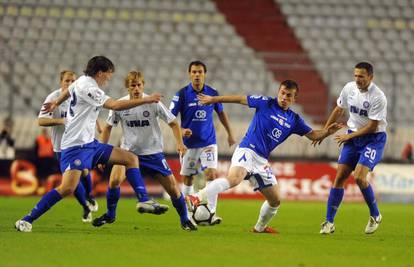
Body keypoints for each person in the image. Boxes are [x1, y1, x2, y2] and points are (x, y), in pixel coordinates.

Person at [15, 56, 162, 232]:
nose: (109, 78)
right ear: (100, 73)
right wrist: (147, 99)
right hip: (75, 147)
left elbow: (69, 90)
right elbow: (114, 105)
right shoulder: (89, 86)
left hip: (90, 144)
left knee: (130, 158)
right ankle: (26, 219)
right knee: (67, 188)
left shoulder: (80, 82)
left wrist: (56, 102)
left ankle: (144, 200)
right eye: (108, 75)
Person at [186, 80, 341, 233]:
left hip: (262, 161)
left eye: (289, 95)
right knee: (234, 179)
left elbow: (313, 135)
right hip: (247, 150)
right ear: (278, 92)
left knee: (275, 200)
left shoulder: (294, 120)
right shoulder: (265, 103)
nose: (284, 97)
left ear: (294, 99)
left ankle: (259, 228)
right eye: (282, 93)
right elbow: (239, 99)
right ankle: (197, 197)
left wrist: (327, 132)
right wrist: (213, 99)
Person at [93, 70, 197, 231]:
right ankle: (110, 214)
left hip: (153, 153)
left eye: (139, 85)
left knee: (173, 189)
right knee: (114, 181)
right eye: (132, 85)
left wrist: (180, 143)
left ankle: (185, 220)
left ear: (143, 86)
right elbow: (107, 128)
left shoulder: (153, 103)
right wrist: (100, 153)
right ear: (127, 88)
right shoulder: (120, 105)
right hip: (128, 153)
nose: (136, 88)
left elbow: (173, 123)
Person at [316, 62, 387, 235]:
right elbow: (338, 109)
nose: (357, 79)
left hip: (373, 139)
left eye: (361, 76)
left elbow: (371, 126)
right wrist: (325, 131)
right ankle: (329, 222)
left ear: (370, 77)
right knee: (339, 177)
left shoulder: (378, 97)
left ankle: (375, 215)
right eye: (355, 75)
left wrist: (348, 136)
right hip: (353, 138)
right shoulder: (349, 88)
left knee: (359, 177)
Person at [169, 60, 235, 225]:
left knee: (211, 175)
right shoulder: (182, 94)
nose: (197, 75)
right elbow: (170, 117)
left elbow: (221, 113)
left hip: (208, 142)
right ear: (189, 74)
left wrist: (230, 133)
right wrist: (182, 131)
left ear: (204, 74)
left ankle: (211, 212)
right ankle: (188, 215)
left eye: (200, 72)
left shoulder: (212, 93)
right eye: (194, 72)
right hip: (188, 145)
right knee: (188, 178)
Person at [37, 70, 98, 222]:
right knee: (72, 181)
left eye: (73, 81)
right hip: (61, 148)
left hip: (79, 144)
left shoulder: (80, 94)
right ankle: (85, 205)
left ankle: (89, 196)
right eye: (67, 81)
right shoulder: (53, 97)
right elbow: (41, 121)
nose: (70, 84)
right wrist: (61, 121)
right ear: (61, 82)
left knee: (83, 172)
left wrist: (98, 126)